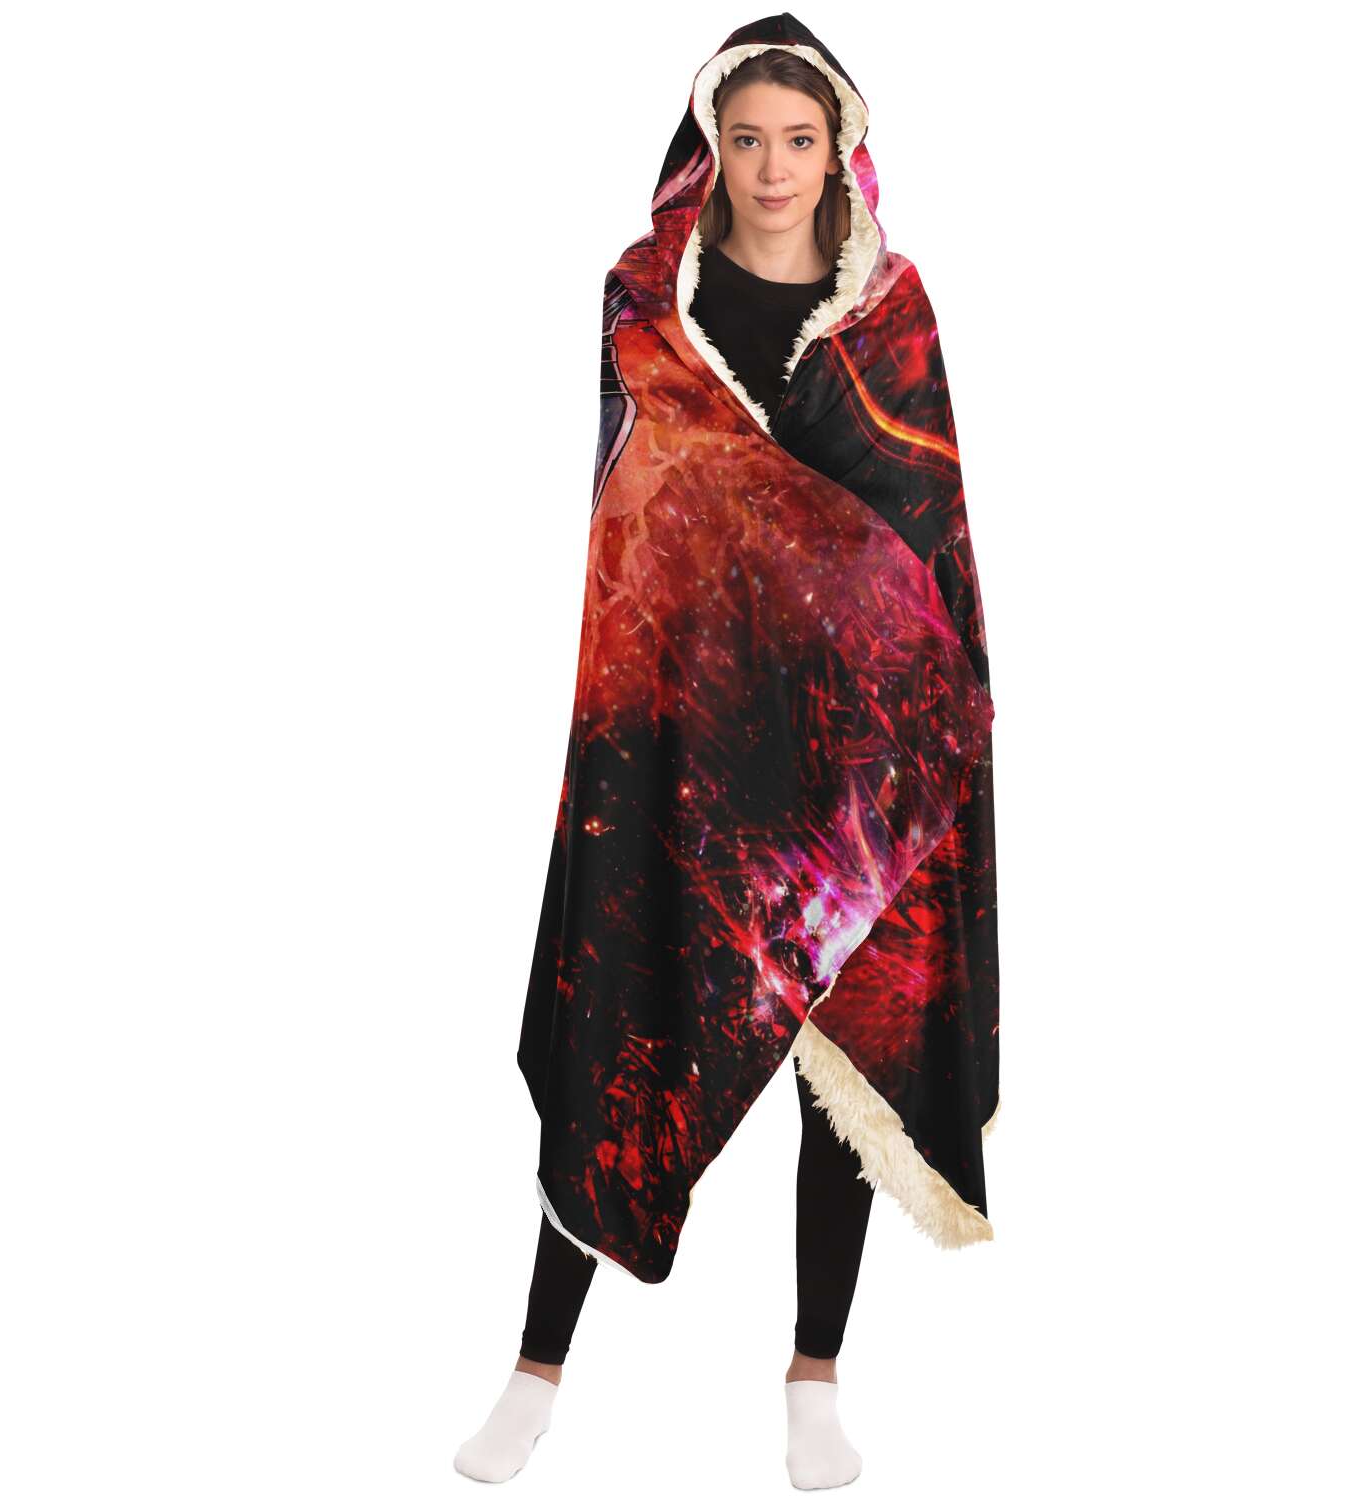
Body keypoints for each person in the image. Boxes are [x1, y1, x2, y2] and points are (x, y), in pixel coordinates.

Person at [456, 14, 999, 1490]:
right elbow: (629, 533)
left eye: (797, 141)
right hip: (681, 731)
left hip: (852, 755)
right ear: (712, 147)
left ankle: (815, 1377)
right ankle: (535, 1370)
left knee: (845, 1044)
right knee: (619, 1031)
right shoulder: (643, 305)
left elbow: (929, 541)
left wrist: (912, 706)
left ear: (838, 151)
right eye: (746, 139)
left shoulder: (893, 315)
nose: (771, 168)